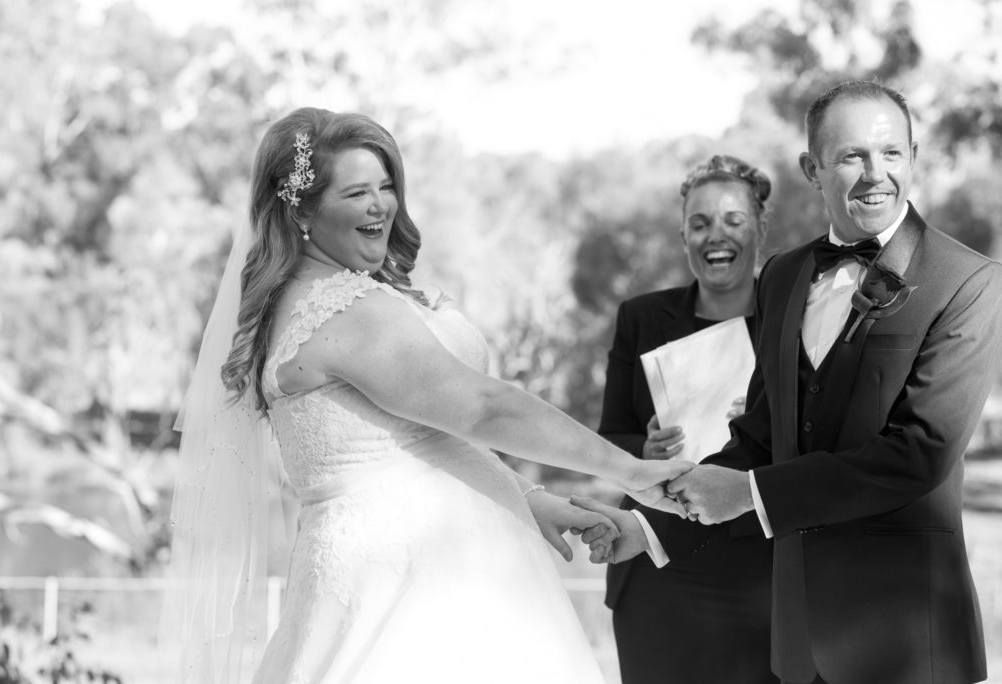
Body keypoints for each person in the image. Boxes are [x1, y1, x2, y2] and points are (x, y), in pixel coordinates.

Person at [159, 107, 693, 684]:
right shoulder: (342, 311)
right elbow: (483, 408)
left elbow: (414, 447)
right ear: (303, 210)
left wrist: (529, 499)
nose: (380, 206)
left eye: (386, 187)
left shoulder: (327, 299)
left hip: (455, 568)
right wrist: (633, 472)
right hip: (407, 584)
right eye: (357, 192)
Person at [578, 80, 1002, 684]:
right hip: (796, 643)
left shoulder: (968, 282)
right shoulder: (783, 275)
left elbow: (919, 454)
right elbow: (757, 434)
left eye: (891, 153)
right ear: (813, 167)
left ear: (914, 157)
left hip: (909, 640)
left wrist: (752, 495)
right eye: (852, 156)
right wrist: (647, 525)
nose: (875, 173)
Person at [596, 154, 779, 684]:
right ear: (683, 237)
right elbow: (612, 436)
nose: (714, 236)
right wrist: (644, 452)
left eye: (732, 221)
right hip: (659, 564)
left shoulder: (792, 319)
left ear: (760, 228)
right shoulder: (642, 317)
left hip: (759, 571)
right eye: (698, 224)